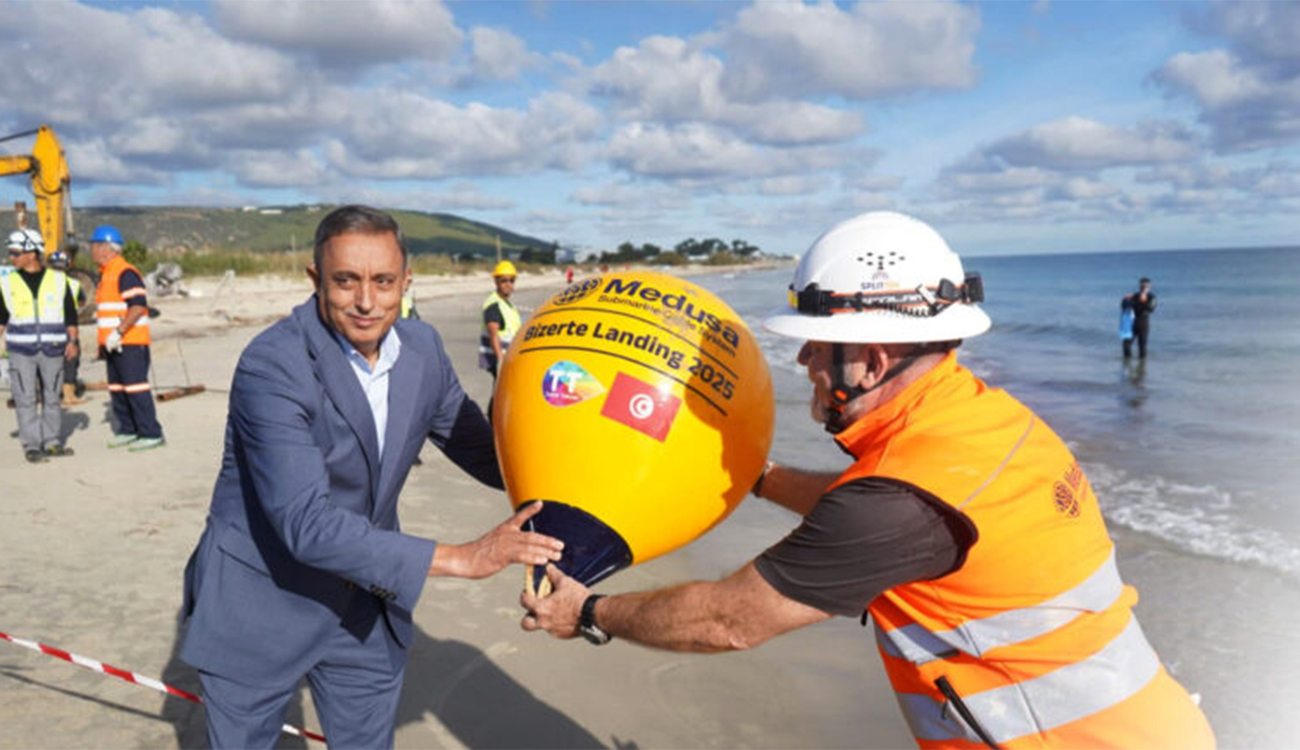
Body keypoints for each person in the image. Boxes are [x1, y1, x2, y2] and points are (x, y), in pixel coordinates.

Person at [521, 211, 1215, 749]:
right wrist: (754, 479)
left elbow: (728, 621)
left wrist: (585, 611)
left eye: (817, 346)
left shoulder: (897, 502)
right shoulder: (976, 423)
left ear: (872, 361)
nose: (803, 362)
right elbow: (862, 507)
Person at [178, 205, 563, 750]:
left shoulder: (423, 350)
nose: (366, 301)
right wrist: (464, 557)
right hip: (262, 602)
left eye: (383, 281)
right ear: (315, 280)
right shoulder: (272, 365)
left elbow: (486, 452)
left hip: (364, 607)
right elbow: (307, 525)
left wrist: (580, 465)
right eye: (346, 281)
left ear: (406, 282)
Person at [0, 229, 79, 463]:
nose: (11, 257)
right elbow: (1, 318)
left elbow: (70, 315)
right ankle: (32, 444)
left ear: (32, 253)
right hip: (20, 351)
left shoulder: (58, 280)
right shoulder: (6, 283)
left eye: (16, 252)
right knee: (24, 398)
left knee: (52, 396)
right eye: (11, 253)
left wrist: (72, 341)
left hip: (53, 348)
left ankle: (52, 442)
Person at [89, 225, 165, 451]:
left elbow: (138, 306)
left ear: (106, 248)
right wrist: (104, 343)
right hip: (113, 344)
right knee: (118, 388)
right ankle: (128, 429)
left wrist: (119, 332)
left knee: (135, 388)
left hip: (130, 342)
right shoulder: (106, 273)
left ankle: (151, 432)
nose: (91, 250)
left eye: (94, 245)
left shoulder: (125, 272)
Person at [47, 249, 87, 405]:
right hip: (67, 325)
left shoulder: (43, 282)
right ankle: (69, 396)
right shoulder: (73, 283)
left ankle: (50, 394)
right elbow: (81, 302)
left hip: (48, 326)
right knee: (70, 359)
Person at [478, 260, 521, 380]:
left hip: (509, 358)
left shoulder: (508, 305)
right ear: (496, 281)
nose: (508, 284)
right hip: (499, 359)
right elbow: (493, 334)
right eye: (504, 280)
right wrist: (500, 361)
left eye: (511, 280)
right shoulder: (493, 304)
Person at [1123, 277, 1156, 359]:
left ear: (1149, 287)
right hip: (1132, 323)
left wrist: (1143, 301)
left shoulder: (1151, 297)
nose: (1144, 288)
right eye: (1142, 286)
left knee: (1142, 346)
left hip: (1143, 324)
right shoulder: (1134, 296)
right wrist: (1125, 299)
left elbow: (1150, 309)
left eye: (1146, 286)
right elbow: (1124, 307)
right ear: (1139, 286)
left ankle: (1141, 368)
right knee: (1126, 344)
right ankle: (1127, 364)